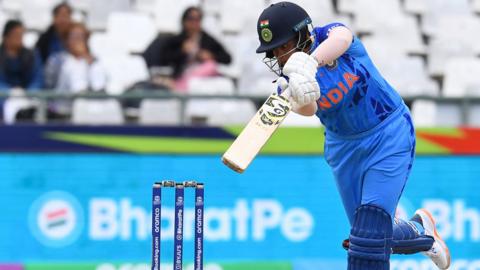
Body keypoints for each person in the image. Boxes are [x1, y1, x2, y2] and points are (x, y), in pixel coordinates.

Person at [255, 2, 450, 270]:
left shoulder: (329, 36)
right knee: (367, 238)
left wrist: (310, 64)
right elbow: (310, 108)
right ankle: (420, 230)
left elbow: (343, 37)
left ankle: (418, 231)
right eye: (275, 52)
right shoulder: (291, 79)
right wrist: (291, 92)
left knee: (369, 238)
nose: (281, 56)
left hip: (388, 133)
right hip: (343, 149)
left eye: (284, 46)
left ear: (303, 34)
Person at [158, 7, 232, 91]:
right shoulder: (177, 40)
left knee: (211, 65)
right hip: (182, 75)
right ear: (184, 21)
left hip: (204, 78)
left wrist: (211, 56)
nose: (194, 23)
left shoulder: (207, 39)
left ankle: (182, 86)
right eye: (191, 19)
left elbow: (227, 58)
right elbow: (164, 59)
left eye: (197, 19)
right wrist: (182, 51)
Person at [44, 22, 106, 116]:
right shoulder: (57, 60)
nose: (78, 40)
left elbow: (100, 81)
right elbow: (50, 85)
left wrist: (86, 58)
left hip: (90, 107)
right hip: (61, 108)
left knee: (93, 67)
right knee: (75, 66)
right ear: (66, 40)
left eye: (81, 37)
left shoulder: (94, 60)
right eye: (74, 36)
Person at [0, 20, 43, 121]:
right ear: (6, 36)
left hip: (28, 96)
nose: (19, 37)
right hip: (4, 97)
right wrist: (10, 92)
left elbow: (38, 79)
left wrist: (27, 93)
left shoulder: (32, 55)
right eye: (16, 34)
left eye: (21, 34)